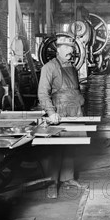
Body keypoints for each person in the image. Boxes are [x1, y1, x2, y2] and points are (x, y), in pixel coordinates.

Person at [37, 36, 85, 185]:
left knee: (72, 145)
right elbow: (42, 93)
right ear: (58, 49)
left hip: (75, 110)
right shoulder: (49, 67)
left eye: (71, 49)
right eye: (66, 48)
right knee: (56, 147)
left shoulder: (72, 67)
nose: (70, 52)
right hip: (60, 111)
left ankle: (68, 178)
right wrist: (51, 112)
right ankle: (52, 181)